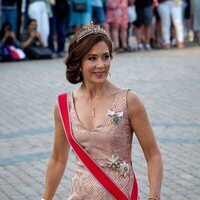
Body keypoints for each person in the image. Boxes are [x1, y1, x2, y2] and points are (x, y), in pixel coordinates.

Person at [41, 23, 163, 200]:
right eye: (92, 58)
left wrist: (154, 197)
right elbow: (58, 159)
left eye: (106, 57)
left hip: (120, 195)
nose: (101, 65)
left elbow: (153, 155)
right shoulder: (63, 105)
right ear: (78, 62)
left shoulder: (129, 101)